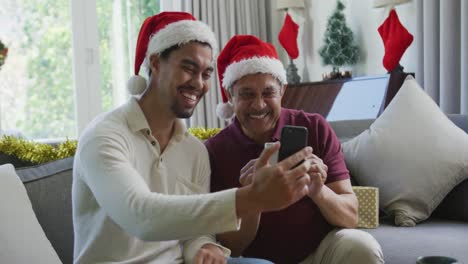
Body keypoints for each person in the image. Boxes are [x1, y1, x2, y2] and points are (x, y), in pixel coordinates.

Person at [72, 12, 314, 264]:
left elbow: (195, 231)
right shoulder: (104, 136)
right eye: (188, 68)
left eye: (206, 74)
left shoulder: (194, 151)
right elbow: (140, 215)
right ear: (155, 63)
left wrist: (205, 247)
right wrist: (253, 197)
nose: (198, 83)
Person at [205, 35, 384, 264]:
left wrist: (317, 190)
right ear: (231, 96)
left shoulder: (315, 127)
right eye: (247, 94)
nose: (259, 105)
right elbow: (233, 247)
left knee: (362, 247)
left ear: (282, 91)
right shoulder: (215, 151)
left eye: (268, 92)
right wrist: (254, 197)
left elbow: (350, 216)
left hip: (318, 251)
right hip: (257, 260)